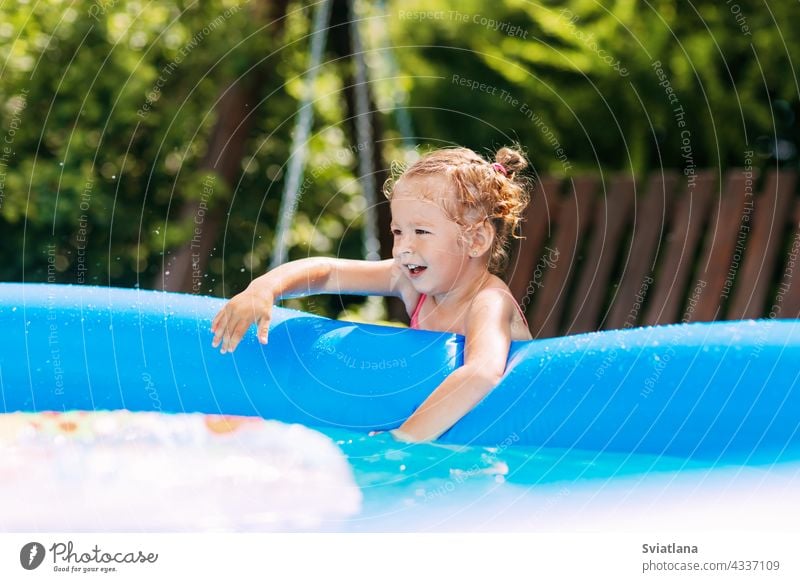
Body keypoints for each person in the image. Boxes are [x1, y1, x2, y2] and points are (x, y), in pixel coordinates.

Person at [211, 146, 532, 442]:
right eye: (397, 231)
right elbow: (329, 273)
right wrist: (264, 288)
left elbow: (482, 372)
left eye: (421, 231)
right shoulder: (409, 282)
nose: (405, 246)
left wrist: (404, 440)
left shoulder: (489, 301)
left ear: (475, 240)